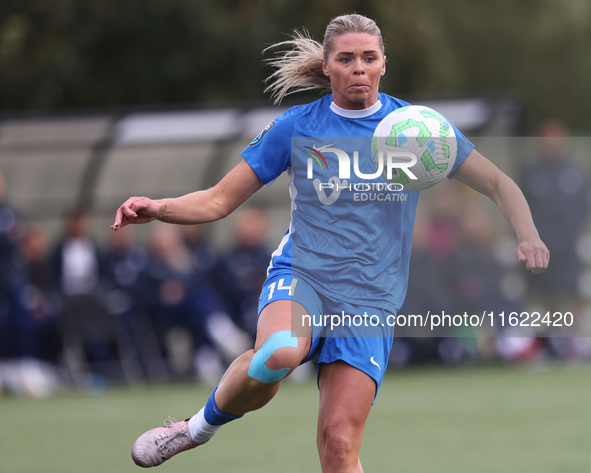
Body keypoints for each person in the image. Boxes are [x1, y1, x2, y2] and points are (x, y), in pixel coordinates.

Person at [111, 14, 549, 472]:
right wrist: (159, 207)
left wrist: (529, 234)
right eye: (346, 58)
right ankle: (193, 430)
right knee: (280, 352)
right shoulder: (298, 126)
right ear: (326, 66)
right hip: (304, 277)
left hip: (371, 300)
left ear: (383, 65)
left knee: (340, 446)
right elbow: (219, 201)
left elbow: (499, 182)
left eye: (368, 58)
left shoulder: (416, 130)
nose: (358, 67)